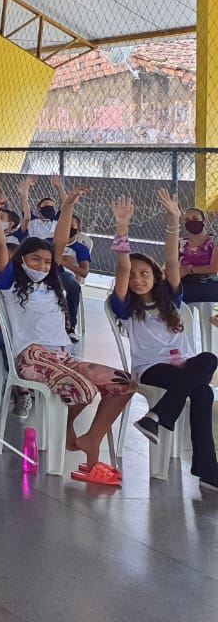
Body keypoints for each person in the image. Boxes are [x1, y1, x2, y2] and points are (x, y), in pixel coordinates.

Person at [0, 188, 132, 485]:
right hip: (31, 356)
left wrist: (67, 206)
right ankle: (67, 433)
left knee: (124, 383)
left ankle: (90, 438)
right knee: (83, 389)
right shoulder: (10, 283)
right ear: (21, 260)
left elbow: (61, 241)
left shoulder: (53, 281)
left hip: (62, 355)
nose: (42, 265)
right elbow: (1, 245)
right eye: (35, 260)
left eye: (46, 261)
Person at [110, 192, 218, 491]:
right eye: (133, 276)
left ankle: (159, 416)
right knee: (202, 392)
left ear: (155, 276)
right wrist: (122, 227)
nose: (138, 279)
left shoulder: (170, 297)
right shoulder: (125, 306)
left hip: (184, 365)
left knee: (208, 360)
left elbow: (172, 259)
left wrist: (174, 219)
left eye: (144, 273)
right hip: (151, 368)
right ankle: (207, 469)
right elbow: (122, 267)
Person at [177, 205, 218, 303]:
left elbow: (214, 268)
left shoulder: (214, 241)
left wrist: (188, 270)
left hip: (209, 284)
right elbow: (171, 264)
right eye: (187, 220)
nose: (191, 222)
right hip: (185, 284)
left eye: (195, 218)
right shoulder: (181, 243)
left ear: (204, 221)